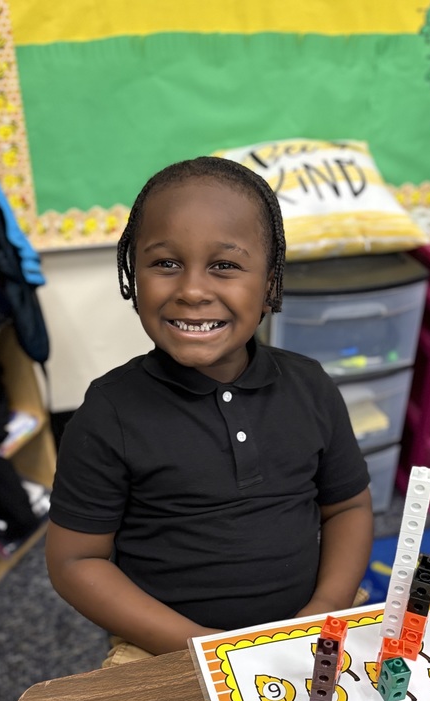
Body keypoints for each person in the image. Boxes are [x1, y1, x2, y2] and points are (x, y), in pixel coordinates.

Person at [45, 156, 373, 667]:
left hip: (308, 629)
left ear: (269, 283)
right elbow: (75, 560)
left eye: (225, 265)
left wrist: (325, 608)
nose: (193, 291)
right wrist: (203, 648)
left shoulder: (311, 386)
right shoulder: (107, 412)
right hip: (169, 647)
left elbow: (348, 508)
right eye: (166, 263)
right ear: (133, 275)